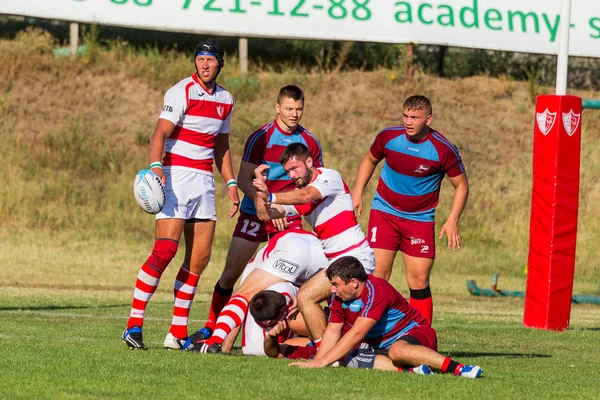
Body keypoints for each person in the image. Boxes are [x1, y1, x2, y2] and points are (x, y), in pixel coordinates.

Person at [121, 39, 240, 350]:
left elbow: (221, 147)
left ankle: (176, 334)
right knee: (164, 252)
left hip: (204, 183)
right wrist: (156, 165)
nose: (204, 64)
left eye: (210, 60)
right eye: (200, 59)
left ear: (220, 64)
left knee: (199, 259)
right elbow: (159, 133)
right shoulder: (181, 91)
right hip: (175, 177)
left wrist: (230, 183)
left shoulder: (226, 99)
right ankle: (134, 324)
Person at [192, 85, 323, 342]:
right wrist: (264, 205)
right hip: (256, 213)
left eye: (299, 109)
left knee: (294, 275)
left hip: (289, 217)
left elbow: (315, 184)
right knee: (231, 274)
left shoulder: (310, 142)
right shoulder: (261, 136)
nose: (294, 114)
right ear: (277, 108)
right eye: (289, 108)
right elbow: (243, 178)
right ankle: (211, 326)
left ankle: (286, 330)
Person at [351, 95, 469, 325]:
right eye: (405, 115)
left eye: (414, 117)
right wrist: (358, 191)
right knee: (378, 276)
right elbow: (369, 160)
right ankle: (369, 335)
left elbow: (461, 185)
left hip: (419, 220)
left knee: (418, 279)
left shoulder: (443, 149)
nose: (408, 121)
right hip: (384, 213)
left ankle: (422, 337)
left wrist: (453, 219)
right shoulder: (389, 137)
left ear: (429, 119)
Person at [252, 143, 375, 349]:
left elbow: (307, 195)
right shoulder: (297, 194)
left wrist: (271, 195)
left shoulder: (329, 177)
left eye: (294, 168)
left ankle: (323, 353)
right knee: (337, 313)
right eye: (287, 171)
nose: (291, 175)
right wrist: (259, 187)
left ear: (309, 162)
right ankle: (339, 351)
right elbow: (265, 214)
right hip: (336, 261)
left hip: (354, 257)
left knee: (306, 296)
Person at [289, 256, 483, 379]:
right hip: (381, 345)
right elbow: (332, 330)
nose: (332, 290)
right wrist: (319, 360)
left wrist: (322, 362)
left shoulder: (377, 291)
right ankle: (411, 371)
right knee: (345, 356)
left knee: (397, 351)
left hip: (415, 333)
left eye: (336, 284)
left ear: (354, 283)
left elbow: (357, 332)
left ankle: (460, 369)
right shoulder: (340, 295)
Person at [187, 224, 328, 353]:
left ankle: (213, 340)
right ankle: (330, 342)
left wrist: (217, 341)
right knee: (335, 305)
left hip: (294, 252)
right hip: (321, 251)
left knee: (255, 349)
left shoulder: (255, 269)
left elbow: (240, 300)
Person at [244, 289, 317, 359]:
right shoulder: (255, 345)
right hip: (310, 339)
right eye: (284, 311)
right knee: (288, 343)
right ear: (270, 322)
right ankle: (322, 345)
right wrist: (272, 338)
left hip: (321, 326)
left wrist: (301, 298)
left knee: (295, 322)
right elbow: (275, 353)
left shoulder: (283, 290)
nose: (289, 309)